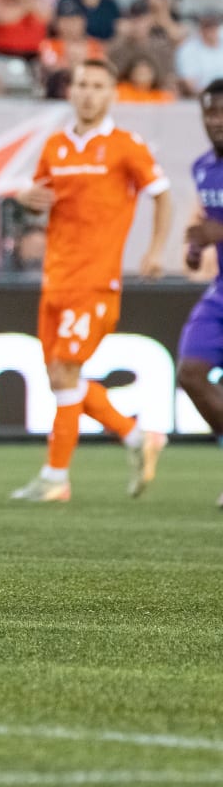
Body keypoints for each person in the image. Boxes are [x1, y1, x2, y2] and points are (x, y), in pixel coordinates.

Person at [10, 58, 172, 502]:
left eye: (98, 85)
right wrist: (25, 198)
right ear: (71, 91)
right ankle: (137, 436)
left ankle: (55, 476)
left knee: (66, 373)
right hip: (55, 279)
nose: (88, 93)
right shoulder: (56, 146)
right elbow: (37, 200)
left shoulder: (126, 146)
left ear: (112, 93)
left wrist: (156, 251)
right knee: (61, 378)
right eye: (81, 84)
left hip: (97, 280)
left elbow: (162, 196)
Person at [177, 80, 223, 504]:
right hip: (220, 290)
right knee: (190, 373)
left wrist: (217, 231)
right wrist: (197, 246)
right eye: (210, 113)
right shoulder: (203, 167)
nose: (216, 121)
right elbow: (208, 226)